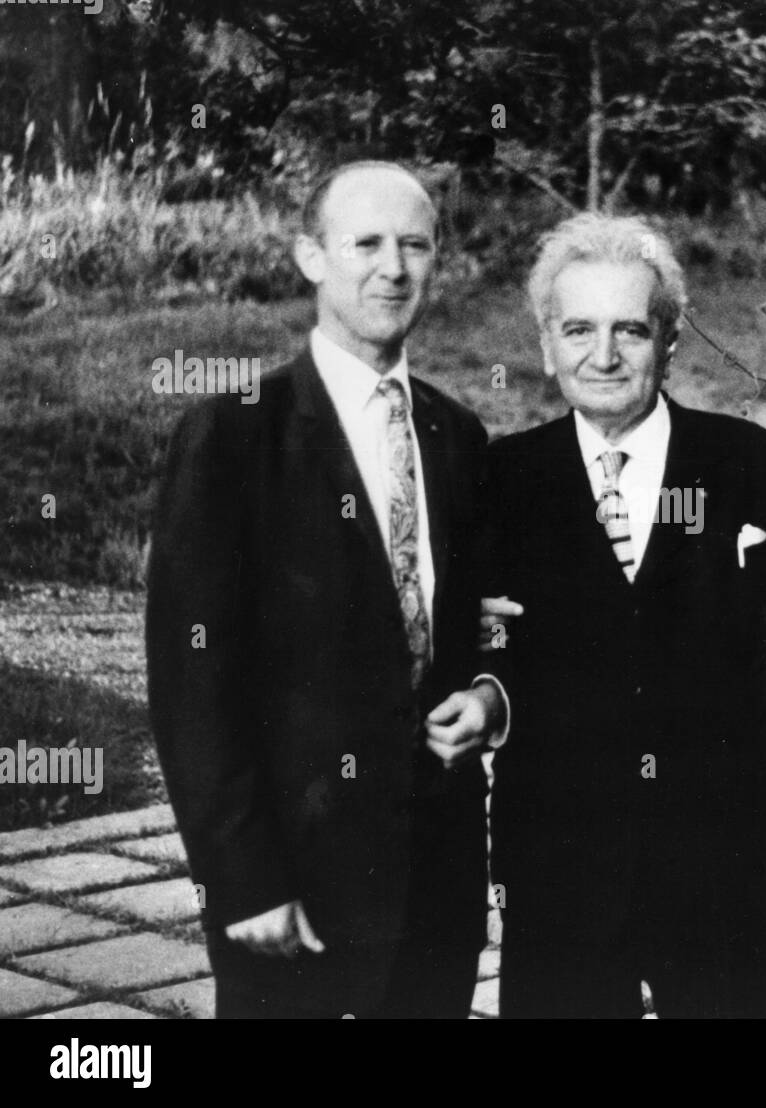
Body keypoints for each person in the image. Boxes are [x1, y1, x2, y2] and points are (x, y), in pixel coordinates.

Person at [146, 161, 505, 1018]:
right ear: (311, 257)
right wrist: (241, 880)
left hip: (434, 886)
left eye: (415, 245)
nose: (394, 268)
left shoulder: (456, 435)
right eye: (367, 244)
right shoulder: (234, 433)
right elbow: (192, 681)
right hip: (295, 888)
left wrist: (492, 699)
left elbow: (486, 625)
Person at [478, 212, 766, 1018]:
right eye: (578, 329)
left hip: (719, 861)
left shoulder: (755, 468)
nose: (604, 355)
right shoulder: (499, 484)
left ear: (671, 341)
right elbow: (480, 647)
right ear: (546, 347)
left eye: (631, 329)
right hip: (559, 859)